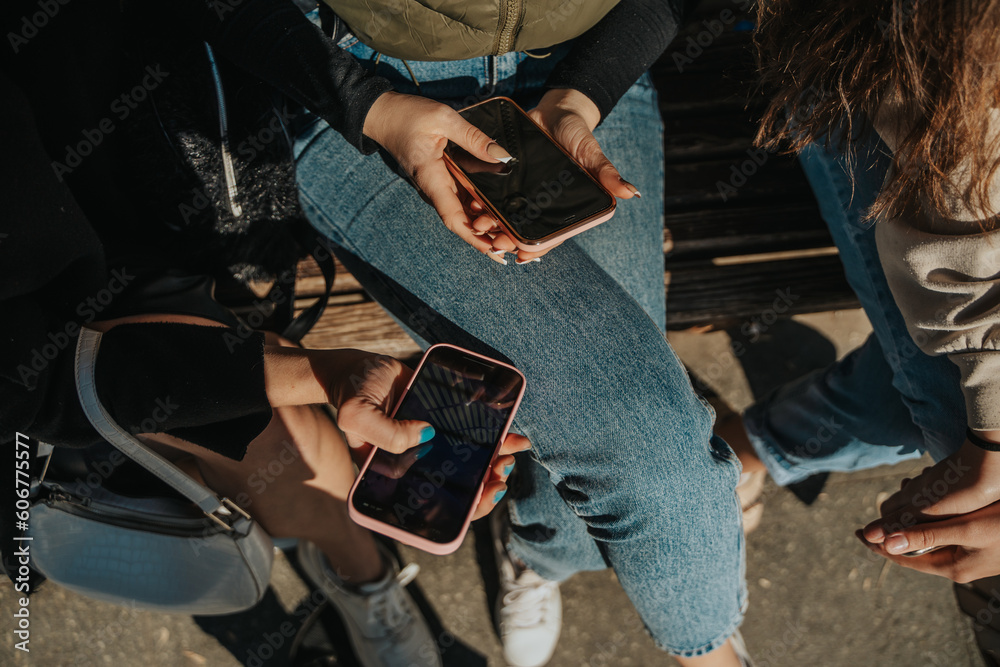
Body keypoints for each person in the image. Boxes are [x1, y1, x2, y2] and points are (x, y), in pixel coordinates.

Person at [154, 0, 756, 665]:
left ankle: (539, 552)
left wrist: (580, 99)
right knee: (645, 455)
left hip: (585, 67)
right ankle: (703, 647)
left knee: (592, 474)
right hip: (344, 84)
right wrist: (370, 107)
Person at [0, 4, 525, 666]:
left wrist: (367, 106)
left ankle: (354, 564)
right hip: (87, 289)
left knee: (284, 435)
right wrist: (319, 375)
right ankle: (364, 575)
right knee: (281, 438)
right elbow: (36, 377)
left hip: (220, 207)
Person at [719, 0, 1000, 585]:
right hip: (889, 59)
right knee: (959, 415)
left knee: (957, 425)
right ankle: (752, 445)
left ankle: (750, 445)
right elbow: (959, 162)